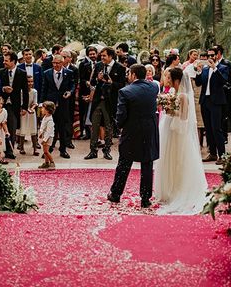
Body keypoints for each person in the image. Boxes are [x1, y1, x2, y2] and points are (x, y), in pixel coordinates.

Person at [154, 67, 208, 214]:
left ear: (177, 79)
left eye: (170, 78)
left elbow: (184, 118)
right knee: (167, 159)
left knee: (178, 160)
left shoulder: (184, 96)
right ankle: (168, 190)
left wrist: (171, 110)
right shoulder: (171, 93)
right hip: (168, 129)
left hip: (178, 133)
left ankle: (178, 189)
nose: (168, 80)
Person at [107, 64, 160, 208]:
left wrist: (119, 126)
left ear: (134, 75)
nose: (127, 75)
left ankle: (116, 194)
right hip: (149, 131)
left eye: (129, 73)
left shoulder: (125, 91)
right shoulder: (153, 88)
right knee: (147, 164)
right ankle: (145, 198)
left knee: (124, 163)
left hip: (131, 132)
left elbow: (121, 115)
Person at [84, 47, 126, 161]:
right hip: (98, 100)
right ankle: (93, 151)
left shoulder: (120, 68)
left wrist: (111, 82)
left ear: (111, 56)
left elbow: (122, 86)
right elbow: (91, 82)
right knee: (95, 126)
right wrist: (97, 79)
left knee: (109, 127)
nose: (101, 58)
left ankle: (107, 151)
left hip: (110, 102)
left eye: (104, 56)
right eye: (101, 56)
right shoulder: (98, 66)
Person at [194, 48, 229, 163]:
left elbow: (224, 81)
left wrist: (214, 68)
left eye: (212, 55)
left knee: (216, 128)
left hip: (216, 102)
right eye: (208, 55)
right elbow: (199, 83)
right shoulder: (204, 70)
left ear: (217, 55)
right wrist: (198, 71)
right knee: (208, 129)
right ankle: (212, 153)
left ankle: (222, 155)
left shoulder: (223, 68)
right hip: (205, 101)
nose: (210, 57)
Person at [41, 54, 75, 159]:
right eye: (54, 63)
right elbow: (44, 88)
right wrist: (42, 103)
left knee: (62, 127)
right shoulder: (47, 73)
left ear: (63, 62)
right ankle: (48, 149)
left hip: (63, 103)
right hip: (51, 104)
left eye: (58, 63)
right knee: (50, 127)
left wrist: (70, 92)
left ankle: (63, 149)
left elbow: (72, 85)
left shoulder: (69, 73)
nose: (55, 65)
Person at [0, 52, 29, 160]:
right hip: (2, 104)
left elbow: (25, 91)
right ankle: (0, 149)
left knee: (12, 127)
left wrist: (25, 107)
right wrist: (3, 89)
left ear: (13, 61)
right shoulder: (1, 72)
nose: (4, 62)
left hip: (14, 104)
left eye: (6, 60)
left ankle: (10, 150)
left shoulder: (22, 73)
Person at [18, 75, 39, 155]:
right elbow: (20, 102)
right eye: (28, 81)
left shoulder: (34, 91)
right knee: (23, 129)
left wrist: (32, 108)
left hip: (31, 112)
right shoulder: (21, 91)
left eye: (31, 81)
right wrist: (24, 109)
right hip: (23, 112)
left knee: (33, 129)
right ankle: (21, 147)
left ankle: (35, 149)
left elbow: (35, 102)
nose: (30, 83)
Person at [37, 101, 56, 169]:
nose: (41, 109)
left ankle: (52, 162)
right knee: (44, 151)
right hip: (45, 136)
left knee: (46, 151)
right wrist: (41, 133)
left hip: (48, 137)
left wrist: (45, 140)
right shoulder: (45, 117)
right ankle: (46, 163)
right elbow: (43, 126)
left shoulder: (50, 120)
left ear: (47, 110)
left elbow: (48, 132)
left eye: (43, 108)